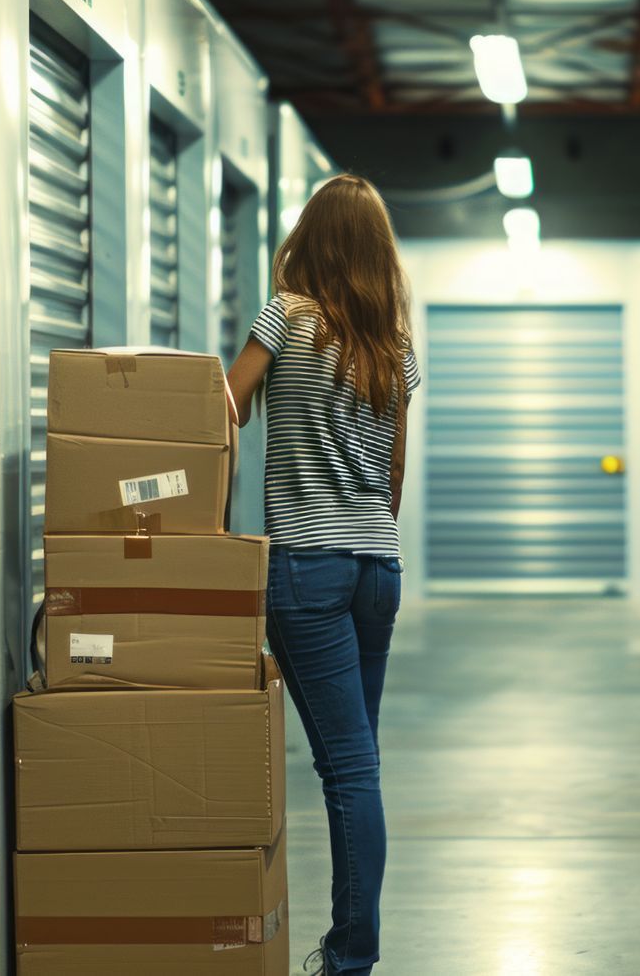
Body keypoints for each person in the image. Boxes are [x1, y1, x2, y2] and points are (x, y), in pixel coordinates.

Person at [227, 174, 418, 976]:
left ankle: (352, 959)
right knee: (357, 760)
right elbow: (396, 475)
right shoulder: (394, 349)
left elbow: (221, 410)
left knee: (348, 767)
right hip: (378, 565)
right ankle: (351, 949)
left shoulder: (284, 317)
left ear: (311, 238)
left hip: (305, 565)